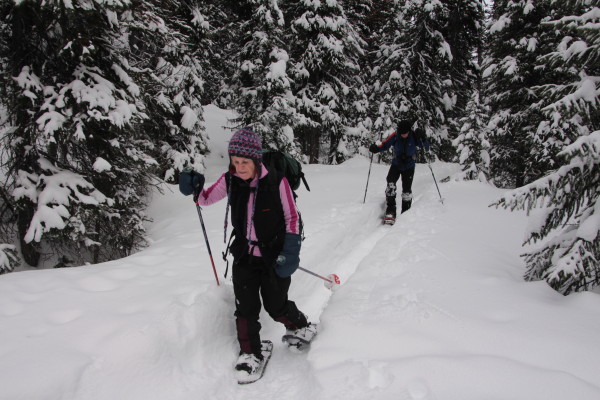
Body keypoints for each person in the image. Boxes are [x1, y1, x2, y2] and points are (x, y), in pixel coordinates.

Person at [178, 127, 316, 378]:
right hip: (244, 254)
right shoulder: (230, 179)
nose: (239, 167)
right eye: (235, 161)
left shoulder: (276, 181)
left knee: (276, 306)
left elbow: (292, 217)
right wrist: (195, 188)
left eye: (244, 162)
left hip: (273, 256)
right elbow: (206, 199)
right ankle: (250, 353)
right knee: (246, 307)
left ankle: (299, 325)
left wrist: (291, 250)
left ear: (256, 160)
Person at [369, 119, 430, 219]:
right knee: (390, 185)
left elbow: (425, 148)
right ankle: (390, 210)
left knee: (406, 191)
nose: (403, 135)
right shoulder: (396, 135)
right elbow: (385, 144)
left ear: (409, 131)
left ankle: (405, 214)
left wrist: (423, 138)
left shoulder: (414, 136)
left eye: (405, 133)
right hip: (396, 164)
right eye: (401, 133)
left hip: (409, 166)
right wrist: (376, 148)